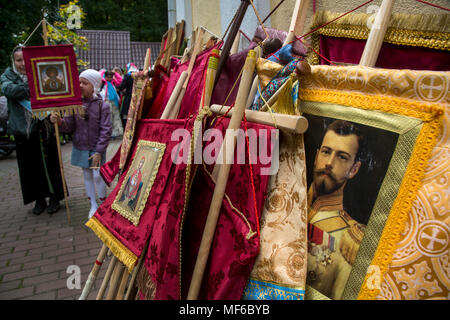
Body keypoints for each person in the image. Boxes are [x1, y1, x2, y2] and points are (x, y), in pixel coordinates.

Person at [306, 119, 366, 300]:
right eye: (326, 152)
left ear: (354, 169)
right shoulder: (284, 197)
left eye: (342, 157)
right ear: (317, 156)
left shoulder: (351, 239)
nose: (329, 163)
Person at [1, 45, 64, 215]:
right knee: (29, 167)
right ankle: (38, 199)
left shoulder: (40, 72)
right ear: (13, 61)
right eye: (18, 60)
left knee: (50, 164)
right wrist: (32, 87)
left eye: (25, 59)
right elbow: (9, 90)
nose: (22, 63)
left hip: (44, 127)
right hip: (22, 130)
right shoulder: (7, 76)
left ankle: (55, 197)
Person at [50, 69, 112, 219]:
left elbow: (106, 130)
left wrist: (99, 151)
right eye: (79, 82)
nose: (81, 85)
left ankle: (103, 203)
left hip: (96, 148)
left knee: (98, 175)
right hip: (81, 146)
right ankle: (93, 205)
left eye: (85, 83)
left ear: (94, 85)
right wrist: (58, 121)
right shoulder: (74, 105)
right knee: (87, 175)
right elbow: (68, 126)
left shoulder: (102, 106)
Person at [100, 70, 123, 138]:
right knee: (108, 118)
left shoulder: (113, 82)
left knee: (116, 117)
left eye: (111, 77)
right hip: (107, 101)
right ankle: (108, 133)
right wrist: (103, 71)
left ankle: (116, 133)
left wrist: (115, 73)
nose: (109, 78)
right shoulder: (103, 83)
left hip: (114, 102)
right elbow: (100, 75)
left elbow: (120, 80)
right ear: (105, 77)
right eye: (108, 77)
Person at [118, 63, 137, 128]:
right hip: (137, 97)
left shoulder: (127, 76)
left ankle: (127, 129)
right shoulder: (140, 75)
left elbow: (121, 87)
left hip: (129, 97)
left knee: (126, 114)